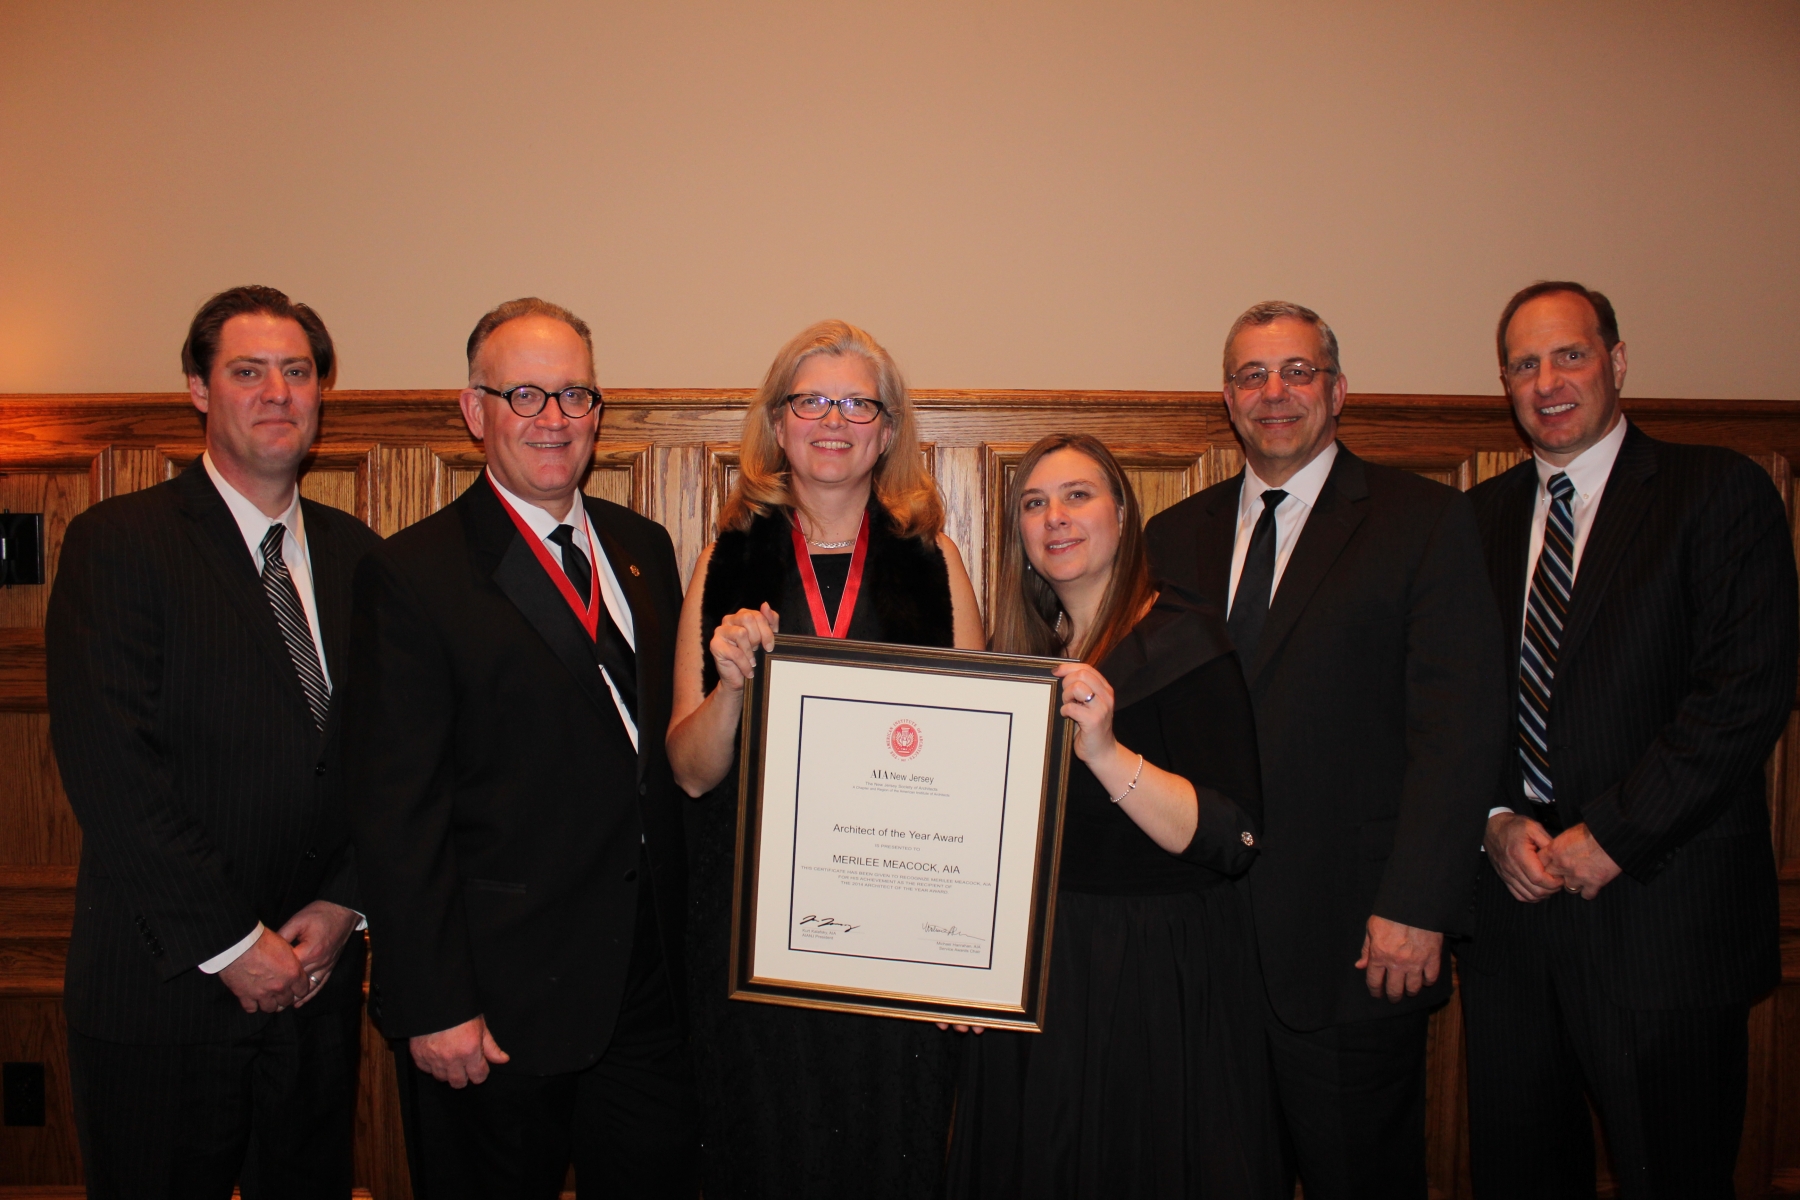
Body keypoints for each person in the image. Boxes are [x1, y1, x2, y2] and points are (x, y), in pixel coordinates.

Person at [1144, 301, 1508, 1200]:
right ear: (1227, 399)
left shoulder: (1423, 520)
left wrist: (1418, 905)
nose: (1274, 393)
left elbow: (1458, 728)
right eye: (1252, 376)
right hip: (1202, 953)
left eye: (1297, 372)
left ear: (1338, 390)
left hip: (1357, 945)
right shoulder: (1173, 537)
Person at [343, 298, 691, 1196]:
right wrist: (434, 1003)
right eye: (525, 395)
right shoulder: (413, 574)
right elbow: (394, 812)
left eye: (575, 395)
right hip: (494, 1009)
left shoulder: (644, 548)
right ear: (475, 410)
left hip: (648, 998)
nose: (553, 419)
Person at [1460, 282, 1796, 1199]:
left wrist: (1613, 834)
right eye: (1524, 365)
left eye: (1569, 355)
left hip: (1664, 920)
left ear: (1615, 361)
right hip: (1513, 925)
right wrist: (1492, 820)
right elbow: (1450, 703)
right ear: (1505, 385)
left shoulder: (1717, 492)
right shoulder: (1475, 522)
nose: (1548, 382)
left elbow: (1744, 695)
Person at [44, 286, 378, 1198]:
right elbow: (112, 771)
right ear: (198, 389)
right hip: (164, 993)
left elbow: (387, 759)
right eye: (247, 371)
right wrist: (234, 946)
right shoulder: (120, 543)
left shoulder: (360, 557)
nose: (277, 392)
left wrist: (345, 904)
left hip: (314, 990)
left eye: (297, 371)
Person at [667, 319, 984, 1197]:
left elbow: (977, 774)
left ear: (888, 430)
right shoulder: (723, 563)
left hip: (899, 933)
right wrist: (732, 689)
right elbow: (690, 772)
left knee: (894, 1154)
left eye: (857, 404)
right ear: (777, 424)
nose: (834, 421)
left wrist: (967, 959)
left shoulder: (934, 562)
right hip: (755, 938)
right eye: (811, 401)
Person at [946, 433, 1282, 1199]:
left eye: (1078, 495)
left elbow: (1234, 836)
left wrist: (1104, 752)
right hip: (1044, 975)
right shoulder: (1023, 652)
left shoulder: (1184, 638)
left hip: (1152, 978)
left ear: (1124, 516)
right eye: (1034, 504)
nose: (1055, 518)